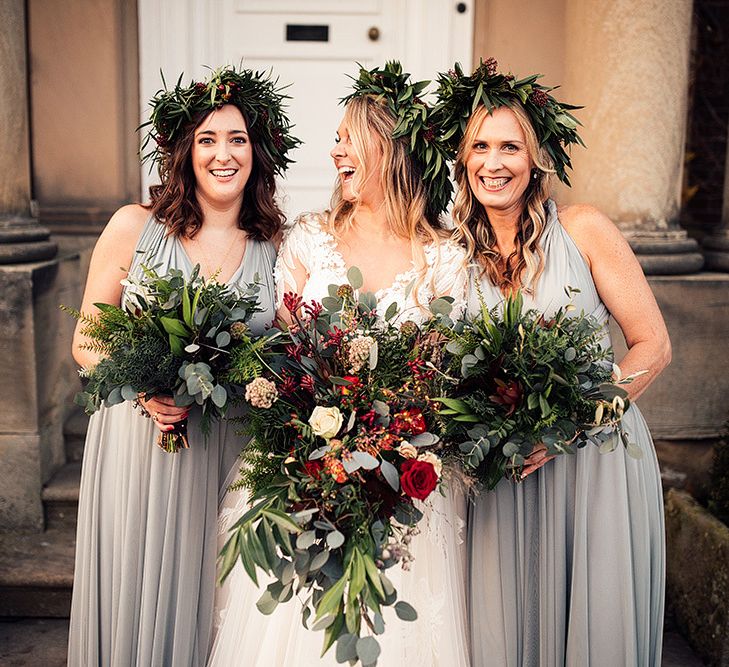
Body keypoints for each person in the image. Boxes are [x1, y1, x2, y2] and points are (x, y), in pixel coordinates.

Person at [208, 62, 472, 667]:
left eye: (348, 138)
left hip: (410, 479)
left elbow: (448, 373)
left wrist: (391, 438)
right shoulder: (308, 239)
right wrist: (322, 437)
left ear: (391, 147)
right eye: (336, 140)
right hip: (307, 466)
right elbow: (284, 358)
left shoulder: (445, 257)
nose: (334, 153)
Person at [436, 59, 669, 666]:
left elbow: (653, 346)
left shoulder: (586, 231)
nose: (495, 163)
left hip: (594, 464)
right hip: (503, 472)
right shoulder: (451, 256)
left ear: (535, 157)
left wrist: (572, 425)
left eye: (510, 146)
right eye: (480, 147)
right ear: (463, 162)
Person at [67, 66, 298, 666]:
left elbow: (288, 354)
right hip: (141, 445)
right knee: (137, 598)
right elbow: (88, 341)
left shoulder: (280, 247)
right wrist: (145, 387)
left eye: (238, 139)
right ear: (185, 151)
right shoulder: (134, 227)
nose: (224, 155)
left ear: (259, 151)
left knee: (220, 606)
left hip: (230, 450)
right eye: (207, 140)